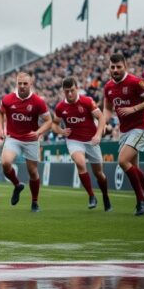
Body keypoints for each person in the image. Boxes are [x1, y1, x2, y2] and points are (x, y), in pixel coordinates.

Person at [103, 53, 144, 216]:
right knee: (132, 167)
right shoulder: (108, 87)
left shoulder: (135, 82)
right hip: (125, 131)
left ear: (125, 66)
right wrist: (104, 121)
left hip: (141, 128)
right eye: (112, 67)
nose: (115, 70)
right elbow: (107, 108)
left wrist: (134, 108)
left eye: (118, 66)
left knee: (122, 161)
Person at [0, 71, 52, 212]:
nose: (22, 86)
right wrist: (0, 128)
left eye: (25, 83)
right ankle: (17, 185)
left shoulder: (38, 101)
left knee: (32, 172)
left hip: (31, 139)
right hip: (13, 138)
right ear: (16, 84)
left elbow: (49, 121)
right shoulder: (8, 99)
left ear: (31, 84)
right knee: (5, 163)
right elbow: (0, 113)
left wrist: (38, 132)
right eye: (19, 83)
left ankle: (35, 202)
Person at [52, 77, 111, 211]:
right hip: (74, 140)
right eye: (67, 91)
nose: (70, 94)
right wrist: (61, 131)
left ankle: (106, 196)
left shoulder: (87, 101)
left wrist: (97, 134)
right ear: (63, 91)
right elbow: (54, 124)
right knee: (80, 162)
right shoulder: (61, 107)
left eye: (72, 90)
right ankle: (91, 196)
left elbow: (101, 118)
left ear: (76, 88)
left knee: (99, 174)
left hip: (91, 140)